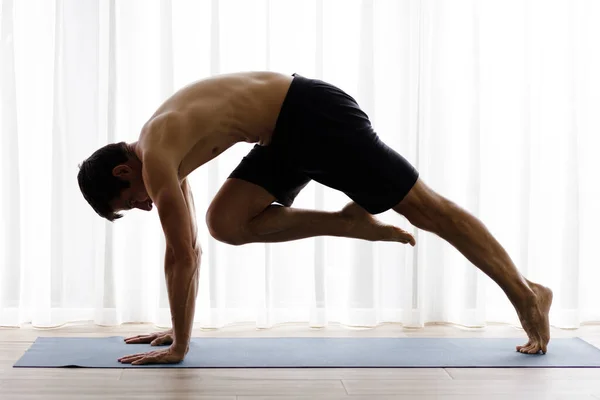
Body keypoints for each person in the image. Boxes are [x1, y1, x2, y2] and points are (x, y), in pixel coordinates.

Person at [77, 72, 552, 365]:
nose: (146, 207)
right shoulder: (161, 148)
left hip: (311, 114)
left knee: (427, 209)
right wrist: (179, 331)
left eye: (134, 202)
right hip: (280, 135)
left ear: (124, 171)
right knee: (228, 222)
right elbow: (196, 243)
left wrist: (179, 348)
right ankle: (349, 222)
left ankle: (526, 294)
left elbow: (180, 255)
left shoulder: (158, 153)